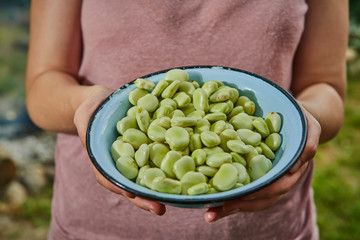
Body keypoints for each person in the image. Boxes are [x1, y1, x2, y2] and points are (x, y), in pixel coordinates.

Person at [25, 0, 348, 239]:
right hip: (96, 228)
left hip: (268, 227)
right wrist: (91, 107)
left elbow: (326, 86)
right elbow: (43, 86)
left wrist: (302, 122)